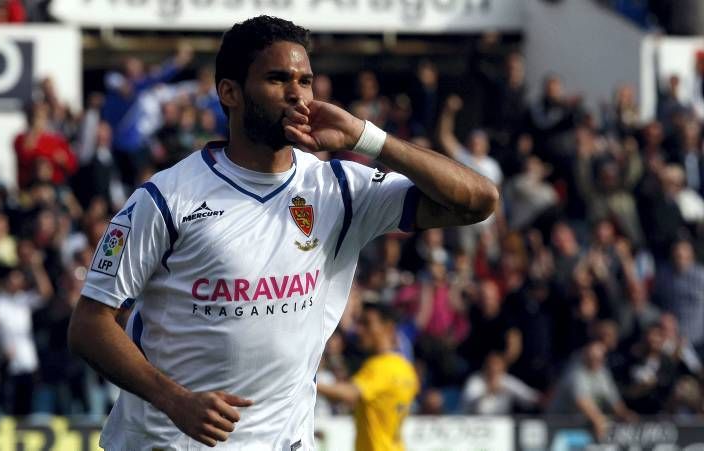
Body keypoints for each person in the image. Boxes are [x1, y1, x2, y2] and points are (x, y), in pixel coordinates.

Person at [68, 15, 497, 450]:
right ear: (229, 92)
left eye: (306, 80)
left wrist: (367, 138)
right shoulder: (166, 198)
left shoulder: (339, 189)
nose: (297, 93)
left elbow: (478, 201)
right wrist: (173, 400)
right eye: (277, 79)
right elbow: (90, 325)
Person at [316, 302, 418, 451]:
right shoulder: (406, 368)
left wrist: (307, 381)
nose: (359, 330)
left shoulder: (380, 367)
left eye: (367, 324)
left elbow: (350, 395)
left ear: (388, 328)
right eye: (359, 323)